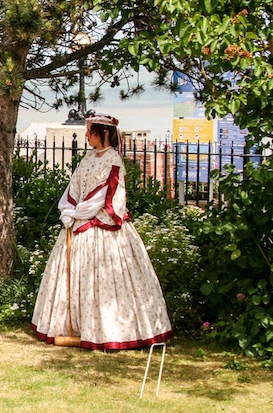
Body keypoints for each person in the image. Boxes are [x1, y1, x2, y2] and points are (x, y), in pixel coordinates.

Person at [31, 113, 173, 350]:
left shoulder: (113, 161)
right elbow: (74, 185)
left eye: (90, 131)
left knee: (104, 281)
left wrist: (78, 213)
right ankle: (75, 325)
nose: (86, 135)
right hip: (78, 222)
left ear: (103, 133)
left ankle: (109, 330)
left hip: (102, 226)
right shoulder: (87, 158)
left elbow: (104, 196)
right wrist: (67, 208)